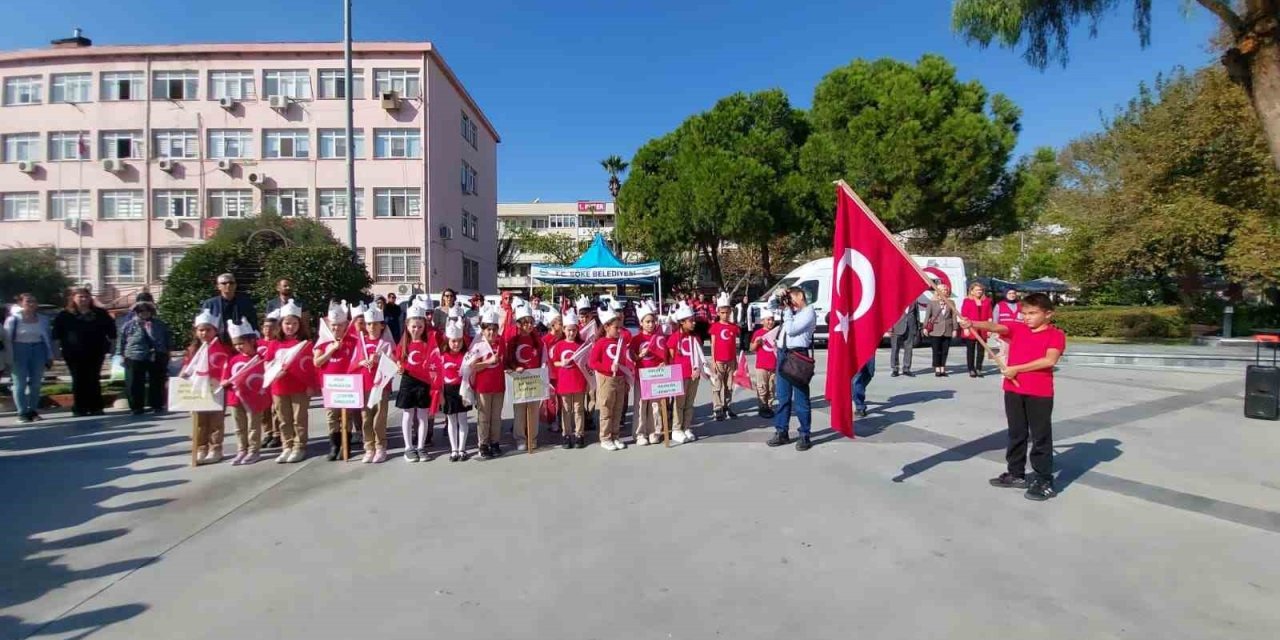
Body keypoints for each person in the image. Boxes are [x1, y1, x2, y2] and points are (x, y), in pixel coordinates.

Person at [959, 293, 1066, 501]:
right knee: (1016, 433)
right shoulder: (1019, 329)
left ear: (1048, 314)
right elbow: (994, 327)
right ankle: (1016, 473)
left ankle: (1043, 479)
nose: (1027, 317)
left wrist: (1016, 368)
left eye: (1033, 313)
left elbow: (1049, 360)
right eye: (1024, 313)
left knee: (1040, 436)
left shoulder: (1056, 335)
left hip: (1039, 392)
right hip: (1013, 390)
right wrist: (971, 322)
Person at [52, 287, 117, 416]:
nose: (83, 299)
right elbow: (56, 336)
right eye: (80, 297)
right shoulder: (65, 315)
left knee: (93, 378)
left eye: (86, 297)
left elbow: (112, 333)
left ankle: (96, 407)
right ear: (73, 298)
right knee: (78, 379)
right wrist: (56, 352)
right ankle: (80, 407)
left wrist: (113, 348)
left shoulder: (100, 313)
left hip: (96, 351)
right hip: (73, 352)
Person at [767, 286, 816, 451]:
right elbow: (770, 307)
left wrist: (787, 310)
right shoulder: (791, 311)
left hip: (798, 356)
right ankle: (782, 431)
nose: (790, 302)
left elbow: (791, 329)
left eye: (792, 298)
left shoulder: (808, 312)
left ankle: (804, 434)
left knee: (801, 398)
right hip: (783, 354)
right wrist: (777, 295)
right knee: (782, 397)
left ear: (800, 296)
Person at [266, 300, 311, 464]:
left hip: (298, 387)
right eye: (287, 323)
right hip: (278, 386)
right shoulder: (274, 343)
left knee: (299, 418)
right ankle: (287, 445)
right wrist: (274, 371)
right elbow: (268, 362)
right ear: (281, 324)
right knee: (283, 419)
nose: (290, 326)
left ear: (299, 324)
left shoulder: (304, 343)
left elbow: (309, 366)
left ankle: (299, 446)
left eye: (294, 323)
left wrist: (310, 386)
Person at [314, 301, 360, 461]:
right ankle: (334, 445)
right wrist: (331, 350)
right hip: (330, 385)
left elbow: (358, 360)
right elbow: (317, 362)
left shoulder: (353, 341)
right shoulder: (323, 341)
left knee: (346, 416)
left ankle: (345, 446)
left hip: (347, 385)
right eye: (333, 325)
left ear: (345, 325)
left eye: (340, 325)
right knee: (332, 416)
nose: (336, 328)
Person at [182, 310, 230, 465]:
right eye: (201, 330)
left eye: (208, 330)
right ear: (196, 331)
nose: (204, 333)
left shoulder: (222, 348)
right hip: (198, 388)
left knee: (216, 421)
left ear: (215, 331)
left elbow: (225, 367)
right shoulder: (192, 350)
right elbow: (187, 367)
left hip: (215, 389)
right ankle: (201, 448)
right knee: (200, 421)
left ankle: (215, 448)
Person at [221, 318, 270, 465]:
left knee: (253, 426)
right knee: (239, 426)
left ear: (252, 341)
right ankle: (242, 449)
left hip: (254, 398)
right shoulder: (232, 360)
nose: (239, 347)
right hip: (235, 398)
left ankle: (254, 450)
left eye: (242, 343)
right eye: (236, 344)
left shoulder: (261, 359)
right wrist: (225, 382)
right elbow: (225, 377)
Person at [115, 299, 173, 415]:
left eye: (147, 311)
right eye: (141, 311)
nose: (144, 313)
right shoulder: (129, 325)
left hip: (156, 354)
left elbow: (167, 339)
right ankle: (136, 407)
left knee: (157, 381)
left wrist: (168, 352)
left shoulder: (160, 324)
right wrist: (120, 354)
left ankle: (157, 404)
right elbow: (121, 341)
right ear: (136, 312)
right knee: (134, 382)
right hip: (134, 355)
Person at [4, 294, 54, 423]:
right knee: (19, 383)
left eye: (34, 301)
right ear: (21, 303)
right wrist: (8, 358)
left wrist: (49, 355)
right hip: (19, 349)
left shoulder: (43, 319)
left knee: (36, 383)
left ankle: (33, 410)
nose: (31, 304)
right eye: (28, 301)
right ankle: (22, 412)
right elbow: (7, 339)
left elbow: (47, 338)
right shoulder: (13, 319)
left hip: (38, 349)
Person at [356, 307, 396, 463]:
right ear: (366, 326)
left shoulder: (386, 344)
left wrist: (380, 360)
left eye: (375, 324)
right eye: (369, 324)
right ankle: (369, 447)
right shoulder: (361, 342)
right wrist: (362, 362)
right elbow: (354, 362)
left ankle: (380, 447)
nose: (372, 327)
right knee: (366, 417)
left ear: (382, 325)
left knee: (379, 417)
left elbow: (393, 363)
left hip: (380, 385)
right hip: (365, 384)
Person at [397, 303, 435, 463]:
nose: (416, 330)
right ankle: (408, 447)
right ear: (407, 325)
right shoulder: (403, 344)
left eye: (420, 326)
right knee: (408, 414)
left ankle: (420, 446)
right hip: (408, 381)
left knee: (422, 415)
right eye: (413, 326)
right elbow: (397, 360)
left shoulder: (429, 343)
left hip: (424, 383)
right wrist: (398, 366)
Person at [589, 307, 629, 451]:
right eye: (616, 328)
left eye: (620, 328)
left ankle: (615, 436)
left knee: (618, 409)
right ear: (606, 327)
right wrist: (608, 368)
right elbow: (592, 363)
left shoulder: (621, 342)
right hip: (607, 380)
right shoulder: (600, 343)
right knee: (606, 410)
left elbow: (624, 361)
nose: (619, 330)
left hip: (620, 379)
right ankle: (605, 438)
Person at [507, 304, 545, 451]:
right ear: (519, 324)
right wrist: (515, 368)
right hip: (519, 379)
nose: (529, 325)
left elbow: (543, 357)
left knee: (533, 410)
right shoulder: (513, 340)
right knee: (520, 410)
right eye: (525, 322)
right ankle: (520, 438)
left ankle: (532, 437)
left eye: (531, 322)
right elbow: (509, 360)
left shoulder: (537, 341)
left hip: (534, 379)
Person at [629, 302, 667, 445]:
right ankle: (640, 433)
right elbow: (632, 357)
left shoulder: (658, 338)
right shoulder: (636, 339)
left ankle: (654, 431)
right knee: (641, 405)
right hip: (641, 376)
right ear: (641, 323)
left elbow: (664, 354)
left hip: (656, 376)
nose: (651, 324)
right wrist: (638, 355)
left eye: (652, 321)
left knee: (655, 405)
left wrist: (664, 362)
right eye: (647, 322)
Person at [471, 309, 506, 459]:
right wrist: (488, 362)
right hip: (483, 386)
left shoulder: (501, 342)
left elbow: (505, 361)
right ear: (483, 330)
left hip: (498, 384)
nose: (491, 332)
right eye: (488, 329)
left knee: (496, 416)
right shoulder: (478, 344)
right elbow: (472, 366)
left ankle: (495, 442)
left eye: (494, 329)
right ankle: (483, 444)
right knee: (484, 416)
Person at [551, 310, 589, 449]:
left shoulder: (582, 345)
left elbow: (586, 363)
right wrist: (563, 363)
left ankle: (579, 434)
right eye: (568, 330)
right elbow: (554, 362)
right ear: (564, 330)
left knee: (579, 409)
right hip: (564, 381)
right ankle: (566, 434)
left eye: (573, 330)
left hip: (578, 380)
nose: (571, 333)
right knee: (566, 409)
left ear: (577, 330)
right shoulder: (559, 345)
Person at [667, 302, 704, 444]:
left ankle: (686, 427)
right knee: (679, 404)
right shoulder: (674, 338)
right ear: (682, 322)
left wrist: (699, 369)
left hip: (694, 374)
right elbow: (671, 357)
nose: (694, 323)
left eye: (694, 320)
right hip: (679, 376)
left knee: (690, 402)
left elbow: (700, 355)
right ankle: (676, 429)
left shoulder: (696, 337)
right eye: (690, 321)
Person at [439, 318, 472, 461]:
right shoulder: (442, 356)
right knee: (451, 420)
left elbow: (471, 374)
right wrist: (440, 395)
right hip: (448, 391)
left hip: (462, 390)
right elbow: (438, 378)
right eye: (453, 341)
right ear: (448, 341)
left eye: (459, 340)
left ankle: (462, 448)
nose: (456, 344)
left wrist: (469, 393)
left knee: (463, 419)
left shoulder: (467, 356)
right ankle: (454, 449)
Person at [709, 292, 740, 421]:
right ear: (718, 313)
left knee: (729, 385)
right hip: (719, 361)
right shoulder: (715, 327)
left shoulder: (733, 327)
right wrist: (713, 360)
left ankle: (727, 406)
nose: (725, 315)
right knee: (717, 385)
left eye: (727, 312)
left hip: (731, 360)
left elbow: (734, 344)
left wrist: (736, 360)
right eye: (722, 312)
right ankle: (717, 407)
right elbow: (713, 344)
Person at [201, 273, 258, 341]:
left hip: (241, 340)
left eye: (231, 283)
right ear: (218, 286)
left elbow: (253, 323)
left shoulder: (245, 303)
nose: (228, 285)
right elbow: (204, 325)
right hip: (218, 340)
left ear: (235, 285)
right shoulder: (210, 304)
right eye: (224, 283)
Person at [923, 284, 957, 377]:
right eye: (942, 290)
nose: (945, 291)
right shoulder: (932, 303)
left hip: (947, 329)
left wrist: (955, 329)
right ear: (938, 291)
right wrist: (925, 327)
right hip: (935, 329)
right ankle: (937, 368)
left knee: (945, 350)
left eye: (946, 290)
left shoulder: (951, 302)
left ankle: (943, 368)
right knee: (936, 350)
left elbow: (954, 317)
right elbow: (927, 316)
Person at [749, 310, 778, 418]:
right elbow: (751, 348)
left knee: (771, 388)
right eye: (768, 320)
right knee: (762, 387)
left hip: (774, 365)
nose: (771, 322)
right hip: (761, 365)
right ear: (762, 321)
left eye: (772, 320)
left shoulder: (776, 332)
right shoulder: (758, 333)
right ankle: (762, 406)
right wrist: (757, 343)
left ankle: (769, 406)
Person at [960, 282, 992, 378]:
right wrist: (965, 328)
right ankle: (971, 369)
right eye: (977, 290)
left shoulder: (987, 301)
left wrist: (990, 328)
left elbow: (990, 315)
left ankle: (979, 368)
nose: (979, 292)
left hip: (983, 328)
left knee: (981, 350)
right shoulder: (967, 301)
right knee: (971, 350)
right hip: (971, 328)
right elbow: (964, 315)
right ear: (972, 291)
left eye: (981, 290)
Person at [890, 304, 919, 377]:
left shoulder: (914, 300)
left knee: (909, 349)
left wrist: (916, 329)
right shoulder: (897, 299)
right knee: (895, 349)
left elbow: (917, 315)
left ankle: (906, 368)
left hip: (910, 327)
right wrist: (890, 328)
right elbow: (890, 314)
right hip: (897, 327)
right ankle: (895, 369)